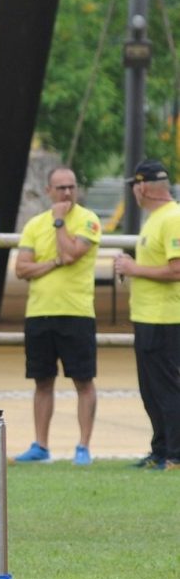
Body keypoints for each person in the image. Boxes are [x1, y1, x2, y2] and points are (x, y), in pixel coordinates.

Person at [13, 166, 102, 464]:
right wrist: (52, 262)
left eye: (71, 187)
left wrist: (60, 222)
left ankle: (83, 446)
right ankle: (40, 445)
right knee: (42, 380)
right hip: (39, 313)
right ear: (48, 190)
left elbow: (73, 253)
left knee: (83, 381)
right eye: (60, 188)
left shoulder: (88, 220)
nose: (66, 193)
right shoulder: (34, 224)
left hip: (76, 312)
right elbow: (22, 268)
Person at [113, 158, 180, 471]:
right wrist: (132, 267)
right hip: (147, 317)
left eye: (135, 186)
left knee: (167, 388)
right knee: (150, 389)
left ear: (144, 186)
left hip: (166, 318)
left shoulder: (173, 217)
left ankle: (176, 455)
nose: (134, 192)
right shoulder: (153, 219)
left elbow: (176, 269)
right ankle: (160, 449)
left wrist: (133, 267)